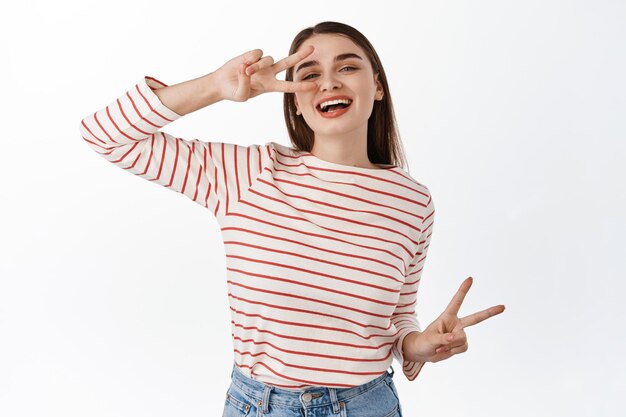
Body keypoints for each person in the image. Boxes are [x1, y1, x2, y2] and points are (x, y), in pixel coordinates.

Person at [80, 20, 505, 417]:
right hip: (259, 405)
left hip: (367, 403)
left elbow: (397, 318)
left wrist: (417, 345)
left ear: (377, 87)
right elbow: (105, 135)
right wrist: (216, 85)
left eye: (347, 66)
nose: (329, 82)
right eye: (309, 74)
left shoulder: (412, 202)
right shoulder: (247, 175)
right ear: (295, 102)